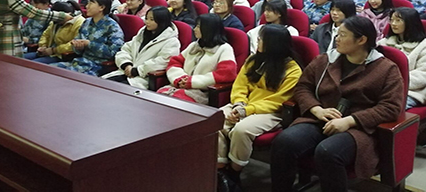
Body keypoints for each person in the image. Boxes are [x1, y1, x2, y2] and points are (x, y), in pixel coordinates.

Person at [270, 16, 403, 192]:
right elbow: (303, 87)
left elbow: (390, 107)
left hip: (359, 129)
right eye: (337, 34)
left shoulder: (386, 68)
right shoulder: (326, 60)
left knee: (328, 152)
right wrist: (316, 109)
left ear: (361, 40)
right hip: (320, 118)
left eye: (342, 35)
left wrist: (350, 121)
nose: (337, 39)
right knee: (284, 142)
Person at [217, 24, 302, 187]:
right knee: (215, 120)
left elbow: (278, 101)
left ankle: (234, 174)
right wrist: (239, 103)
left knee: (242, 130)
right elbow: (240, 85)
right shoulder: (253, 60)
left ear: (273, 44)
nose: (258, 42)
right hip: (243, 105)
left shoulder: (293, 70)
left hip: (270, 112)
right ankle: (220, 170)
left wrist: (246, 111)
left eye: (261, 39)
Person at [157, 14, 237, 104]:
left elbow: (226, 74)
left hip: (202, 92)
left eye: (198, 27)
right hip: (179, 86)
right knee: (158, 98)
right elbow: (175, 62)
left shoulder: (224, 48)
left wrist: (192, 82)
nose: (194, 29)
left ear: (208, 29)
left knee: (175, 103)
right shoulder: (194, 45)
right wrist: (180, 78)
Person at [102, 6, 180, 88]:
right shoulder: (142, 33)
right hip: (125, 72)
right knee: (101, 85)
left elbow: (162, 62)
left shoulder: (172, 41)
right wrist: (126, 64)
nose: (147, 22)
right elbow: (125, 49)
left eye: (152, 19)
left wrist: (137, 70)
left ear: (162, 21)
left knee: (114, 90)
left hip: (143, 78)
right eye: (146, 18)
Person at [379, 8, 426, 109]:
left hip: (412, 91)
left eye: (398, 20)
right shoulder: (383, 43)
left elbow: (423, 76)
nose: (393, 24)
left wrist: (391, 83)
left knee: (388, 108)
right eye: (391, 20)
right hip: (382, 88)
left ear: (410, 23)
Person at [56, 0, 124, 75]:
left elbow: (113, 53)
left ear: (101, 7)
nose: (86, 6)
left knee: (65, 76)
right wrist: (77, 46)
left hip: (97, 67)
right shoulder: (86, 22)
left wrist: (89, 44)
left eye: (90, 4)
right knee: (51, 70)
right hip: (79, 62)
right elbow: (77, 42)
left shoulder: (113, 27)